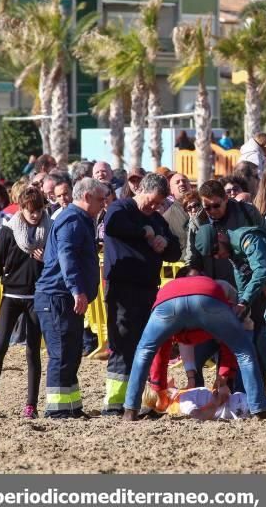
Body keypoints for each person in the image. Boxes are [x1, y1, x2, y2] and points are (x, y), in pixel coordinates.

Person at [122, 275, 266, 421]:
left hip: (168, 302)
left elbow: (160, 352)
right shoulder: (225, 298)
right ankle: (259, 409)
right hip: (207, 298)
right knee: (245, 352)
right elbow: (229, 344)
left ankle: (130, 410)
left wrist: (159, 388)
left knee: (144, 351)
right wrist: (223, 378)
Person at [101, 173, 181, 415]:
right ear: (140, 191)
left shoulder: (157, 219)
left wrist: (164, 244)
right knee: (122, 342)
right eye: (152, 201)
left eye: (159, 203)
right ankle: (115, 402)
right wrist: (143, 232)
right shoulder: (120, 208)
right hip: (122, 289)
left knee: (144, 344)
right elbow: (112, 226)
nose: (155, 207)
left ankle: (137, 399)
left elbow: (176, 251)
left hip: (148, 290)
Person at [34, 178, 106, 419]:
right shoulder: (73, 219)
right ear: (86, 197)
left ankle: (71, 407)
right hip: (57, 297)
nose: (103, 204)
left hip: (63, 297)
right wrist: (77, 289)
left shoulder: (80, 219)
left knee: (72, 353)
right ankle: (56, 410)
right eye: (100, 199)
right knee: (62, 353)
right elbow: (67, 256)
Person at [0, 187, 51, 419]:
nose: (35, 215)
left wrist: (47, 258)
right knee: (0, 347)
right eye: (31, 211)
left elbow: (57, 263)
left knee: (33, 352)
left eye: (39, 210)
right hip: (11, 297)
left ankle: (31, 405)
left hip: (35, 297)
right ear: (21, 208)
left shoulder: (49, 230)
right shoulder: (9, 232)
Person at [194, 222, 266, 397]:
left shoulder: (248, 239)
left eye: (216, 250)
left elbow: (261, 271)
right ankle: (263, 390)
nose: (217, 256)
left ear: (221, 236)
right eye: (212, 255)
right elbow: (242, 281)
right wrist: (241, 309)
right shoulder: (233, 253)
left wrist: (244, 301)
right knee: (261, 340)